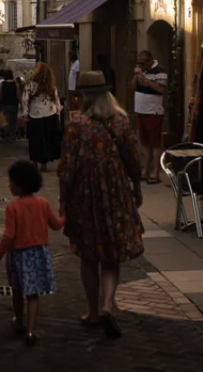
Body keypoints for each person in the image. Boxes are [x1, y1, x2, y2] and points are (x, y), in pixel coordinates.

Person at [58, 71, 144, 339]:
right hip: (116, 192)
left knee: (88, 255)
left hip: (84, 195)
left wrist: (64, 199)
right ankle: (108, 304)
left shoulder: (77, 126)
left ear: (83, 96)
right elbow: (133, 158)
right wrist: (136, 185)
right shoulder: (120, 121)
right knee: (110, 254)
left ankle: (94, 312)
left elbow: (67, 167)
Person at [0, 160, 64, 346]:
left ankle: (19, 321)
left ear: (19, 185)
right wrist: (66, 216)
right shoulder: (43, 203)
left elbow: (8, 236)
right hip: (38, 254)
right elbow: (56, 225)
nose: (8, 184)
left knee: (17, 291)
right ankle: (31, 331)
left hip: (18, 255)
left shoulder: (13, 208)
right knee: (33, 294)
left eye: (11, 181)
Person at [132, 49, 168, 184]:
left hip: (153, 111)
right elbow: (133, 87)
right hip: (140, 110)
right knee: (144, 142)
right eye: (138, 63)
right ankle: (145, 170)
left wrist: (145, 79)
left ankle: (156, 172)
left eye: (142, 63)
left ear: (150, 60)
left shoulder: (160, 70)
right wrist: (136, 76)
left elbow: (161, 89)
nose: (140, 65)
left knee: (155, 143)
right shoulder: (142, 71)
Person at [20, 62, 62, 172]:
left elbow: (25, 99)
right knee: (47, 139)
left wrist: (25, 113)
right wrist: (58, 114)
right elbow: (56, 100)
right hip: (50, 113)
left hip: (35, 113)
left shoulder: (30, 84)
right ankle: (44, 163)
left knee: (35, 140)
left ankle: (34, 161)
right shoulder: (51, 85)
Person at [0, 69, 19, 138]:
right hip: (14, 104)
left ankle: (5, 134)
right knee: (13, 119)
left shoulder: (2, 84)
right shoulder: (16, 84)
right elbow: (18, 95)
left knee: (5, 120)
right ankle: (12, 134)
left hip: (4, 104)